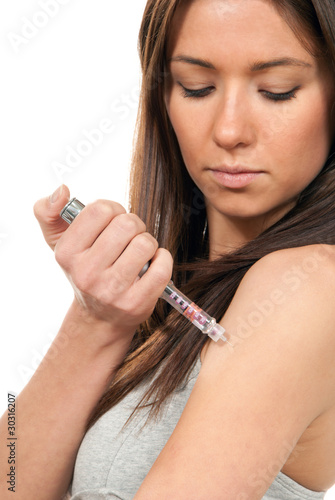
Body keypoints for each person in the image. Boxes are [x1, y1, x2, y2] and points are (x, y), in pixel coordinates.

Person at [1, 0, 335, 498]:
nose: (228, 131)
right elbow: (8, 475)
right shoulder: (160, 309)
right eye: (196, 86)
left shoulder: (309, 286)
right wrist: (94, 320)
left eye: (276, 91)